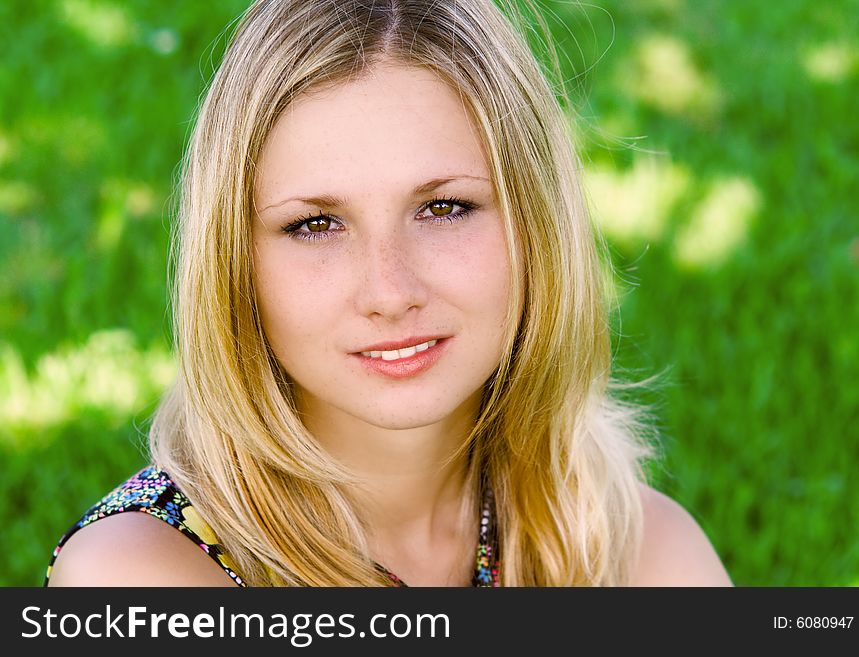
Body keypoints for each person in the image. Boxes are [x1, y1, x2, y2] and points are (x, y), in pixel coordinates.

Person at [46, 0, 732, 587]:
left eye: (443, 208)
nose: (389, 290)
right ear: (235, 261)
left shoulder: (637, 553)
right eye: (315, 224)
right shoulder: (140, 574)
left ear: (535, 224)